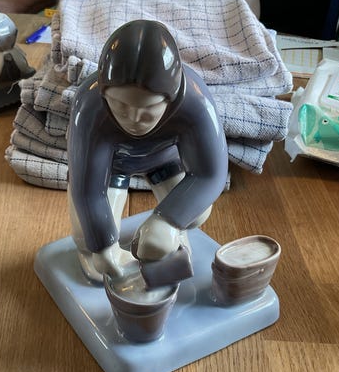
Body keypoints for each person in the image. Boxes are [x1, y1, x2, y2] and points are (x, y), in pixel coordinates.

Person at [67, 20, 228, 283]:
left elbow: (210, 174)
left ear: (171, 98)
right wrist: (102, 244)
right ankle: (97, 249)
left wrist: (169, 220)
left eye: (148, 110)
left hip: (165, 160)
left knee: (197, 213)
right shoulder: (89, 105)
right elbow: (87, 187)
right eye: (120, 107)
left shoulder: (196, 102)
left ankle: (170, 236)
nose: (133, 119)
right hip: (110, 166)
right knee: (87, 237)